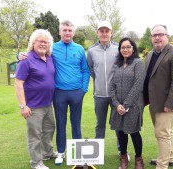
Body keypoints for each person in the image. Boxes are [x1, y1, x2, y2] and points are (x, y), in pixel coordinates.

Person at [18, 20, 90, 165]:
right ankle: (61, 152)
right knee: (60, 124)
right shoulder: (52, 48)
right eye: (64, 30)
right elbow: (33, 55)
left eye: (70, 30)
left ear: (73, 32)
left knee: (76, 124)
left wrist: (83, 89)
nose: (67, 33)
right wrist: (19, 56)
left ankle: (78, 154)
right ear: (59, 32)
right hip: (59, 93)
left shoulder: (80, 49)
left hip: (76, 92)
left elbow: (86, 70)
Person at [143, 24, 173, 169]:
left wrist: (170, 103)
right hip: (154, 102)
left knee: (162, 134)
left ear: (167, 36)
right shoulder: (150, 54)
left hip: (167, 104)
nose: (157, 38)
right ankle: (170, 158)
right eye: (154, 35)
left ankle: (162, 165)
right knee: (167, 132)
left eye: (160, 34)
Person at [86, 20, 130, 160]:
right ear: (97, 33)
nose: (104, 33)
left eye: (107, 31)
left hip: (116, 96)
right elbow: (91, 70)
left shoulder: (118, 48)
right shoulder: (91, 51)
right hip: (99, 95)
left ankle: (121, 150)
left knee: (118, 123)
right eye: (101, 31)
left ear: (111, 32)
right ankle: (97, 153)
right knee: (100, 124)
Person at [14, 29, 56, 169]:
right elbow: (18, 83)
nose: (43, 44)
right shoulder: (26, 60)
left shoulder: (49, 58)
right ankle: (36, 163)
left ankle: (47, 153)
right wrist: (22, 106)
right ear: (33, 43)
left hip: (47, 104)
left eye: (46, 42)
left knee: (49, 130)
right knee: (35, 135)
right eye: (40, 41)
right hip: (33, 106)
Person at [110, 37, 145, 169]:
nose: (125, 49)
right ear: (119, 50)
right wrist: (116, 103)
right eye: (123, 47)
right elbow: (112, 86)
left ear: (133, 48)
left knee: (134, 132)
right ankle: (123, 158)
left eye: (128, 47)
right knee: (121, 132)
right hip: (117, 105)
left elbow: (138, 86)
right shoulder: (117, 65)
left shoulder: (138, 63)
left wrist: (125, 106)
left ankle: (138, 160)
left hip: (133, 105)